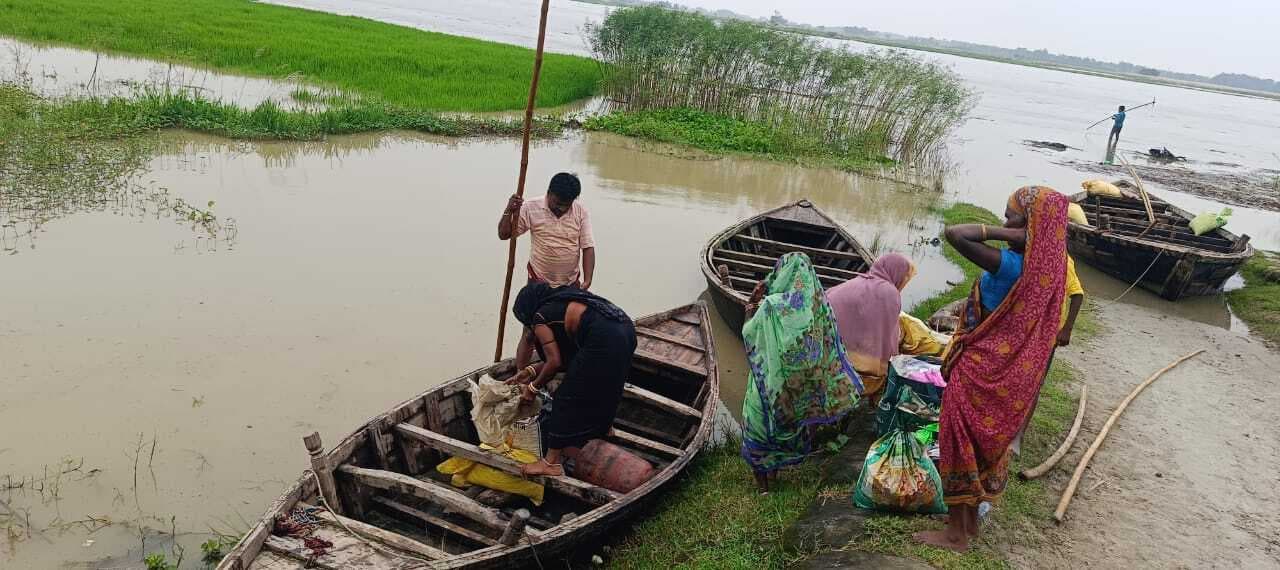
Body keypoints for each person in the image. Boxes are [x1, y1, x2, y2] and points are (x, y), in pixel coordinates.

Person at [913, 186, 1070, 552]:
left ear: (1028, 226)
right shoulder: (1051, 268)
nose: (1003, 221)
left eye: (1010, 216)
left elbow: (955, 234)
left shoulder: (1014, 265)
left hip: (980, 368)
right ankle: (966, 527)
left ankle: (955, 536)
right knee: (981, 447)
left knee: (958, 442)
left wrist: (1005, 235)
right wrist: (1022, 234)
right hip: (1012, 372)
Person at [741, 253, 862, 493]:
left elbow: (748, 333)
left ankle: (763, 487)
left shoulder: (771, 306)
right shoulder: (815, 307)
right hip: (796, 390)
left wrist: (750, 306)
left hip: (768, 384)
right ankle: (774, 478)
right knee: (784, 430)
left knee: (760, 427)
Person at [507, 282, 635, 476]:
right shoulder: (564, 299)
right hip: (625, 330)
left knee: (565, 398)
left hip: (603, 338)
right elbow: (569, 358)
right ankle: (604, 430)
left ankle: (551, 463)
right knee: (607, 387)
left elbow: (555, 362)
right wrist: (531, 371)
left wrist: (532, 389)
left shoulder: (540, 317)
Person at [824, 253, 917, 403]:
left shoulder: (857, 281)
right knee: (882, 373)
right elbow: (889, 338)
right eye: (906, 277)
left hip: (825, 351)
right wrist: (892, 365)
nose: (905, 282)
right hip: (845, 363)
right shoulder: (889, 292)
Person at [498, 173, 596, 289]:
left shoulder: (580, 211)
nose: (562, 209)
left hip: (570, 283)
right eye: (558, 204)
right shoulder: (531, 207)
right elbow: (504, 235)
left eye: (567, 205)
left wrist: (587, 280)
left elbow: (588, 246)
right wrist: (509, 210)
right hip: (538, 281)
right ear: (549, 193)